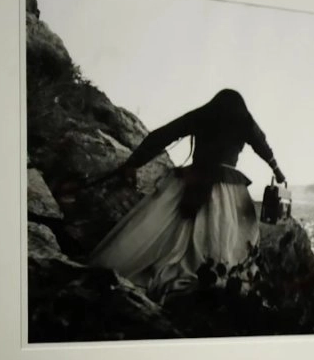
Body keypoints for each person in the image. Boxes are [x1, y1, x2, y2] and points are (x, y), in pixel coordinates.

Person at [88, 88, 286, 302]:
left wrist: (134, 163)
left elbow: (163, 135)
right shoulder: (244, 120)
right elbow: (263, 147)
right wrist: (277, 171)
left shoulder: (203, 114)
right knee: (224, 240)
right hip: (228, 189)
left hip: (194, 178)